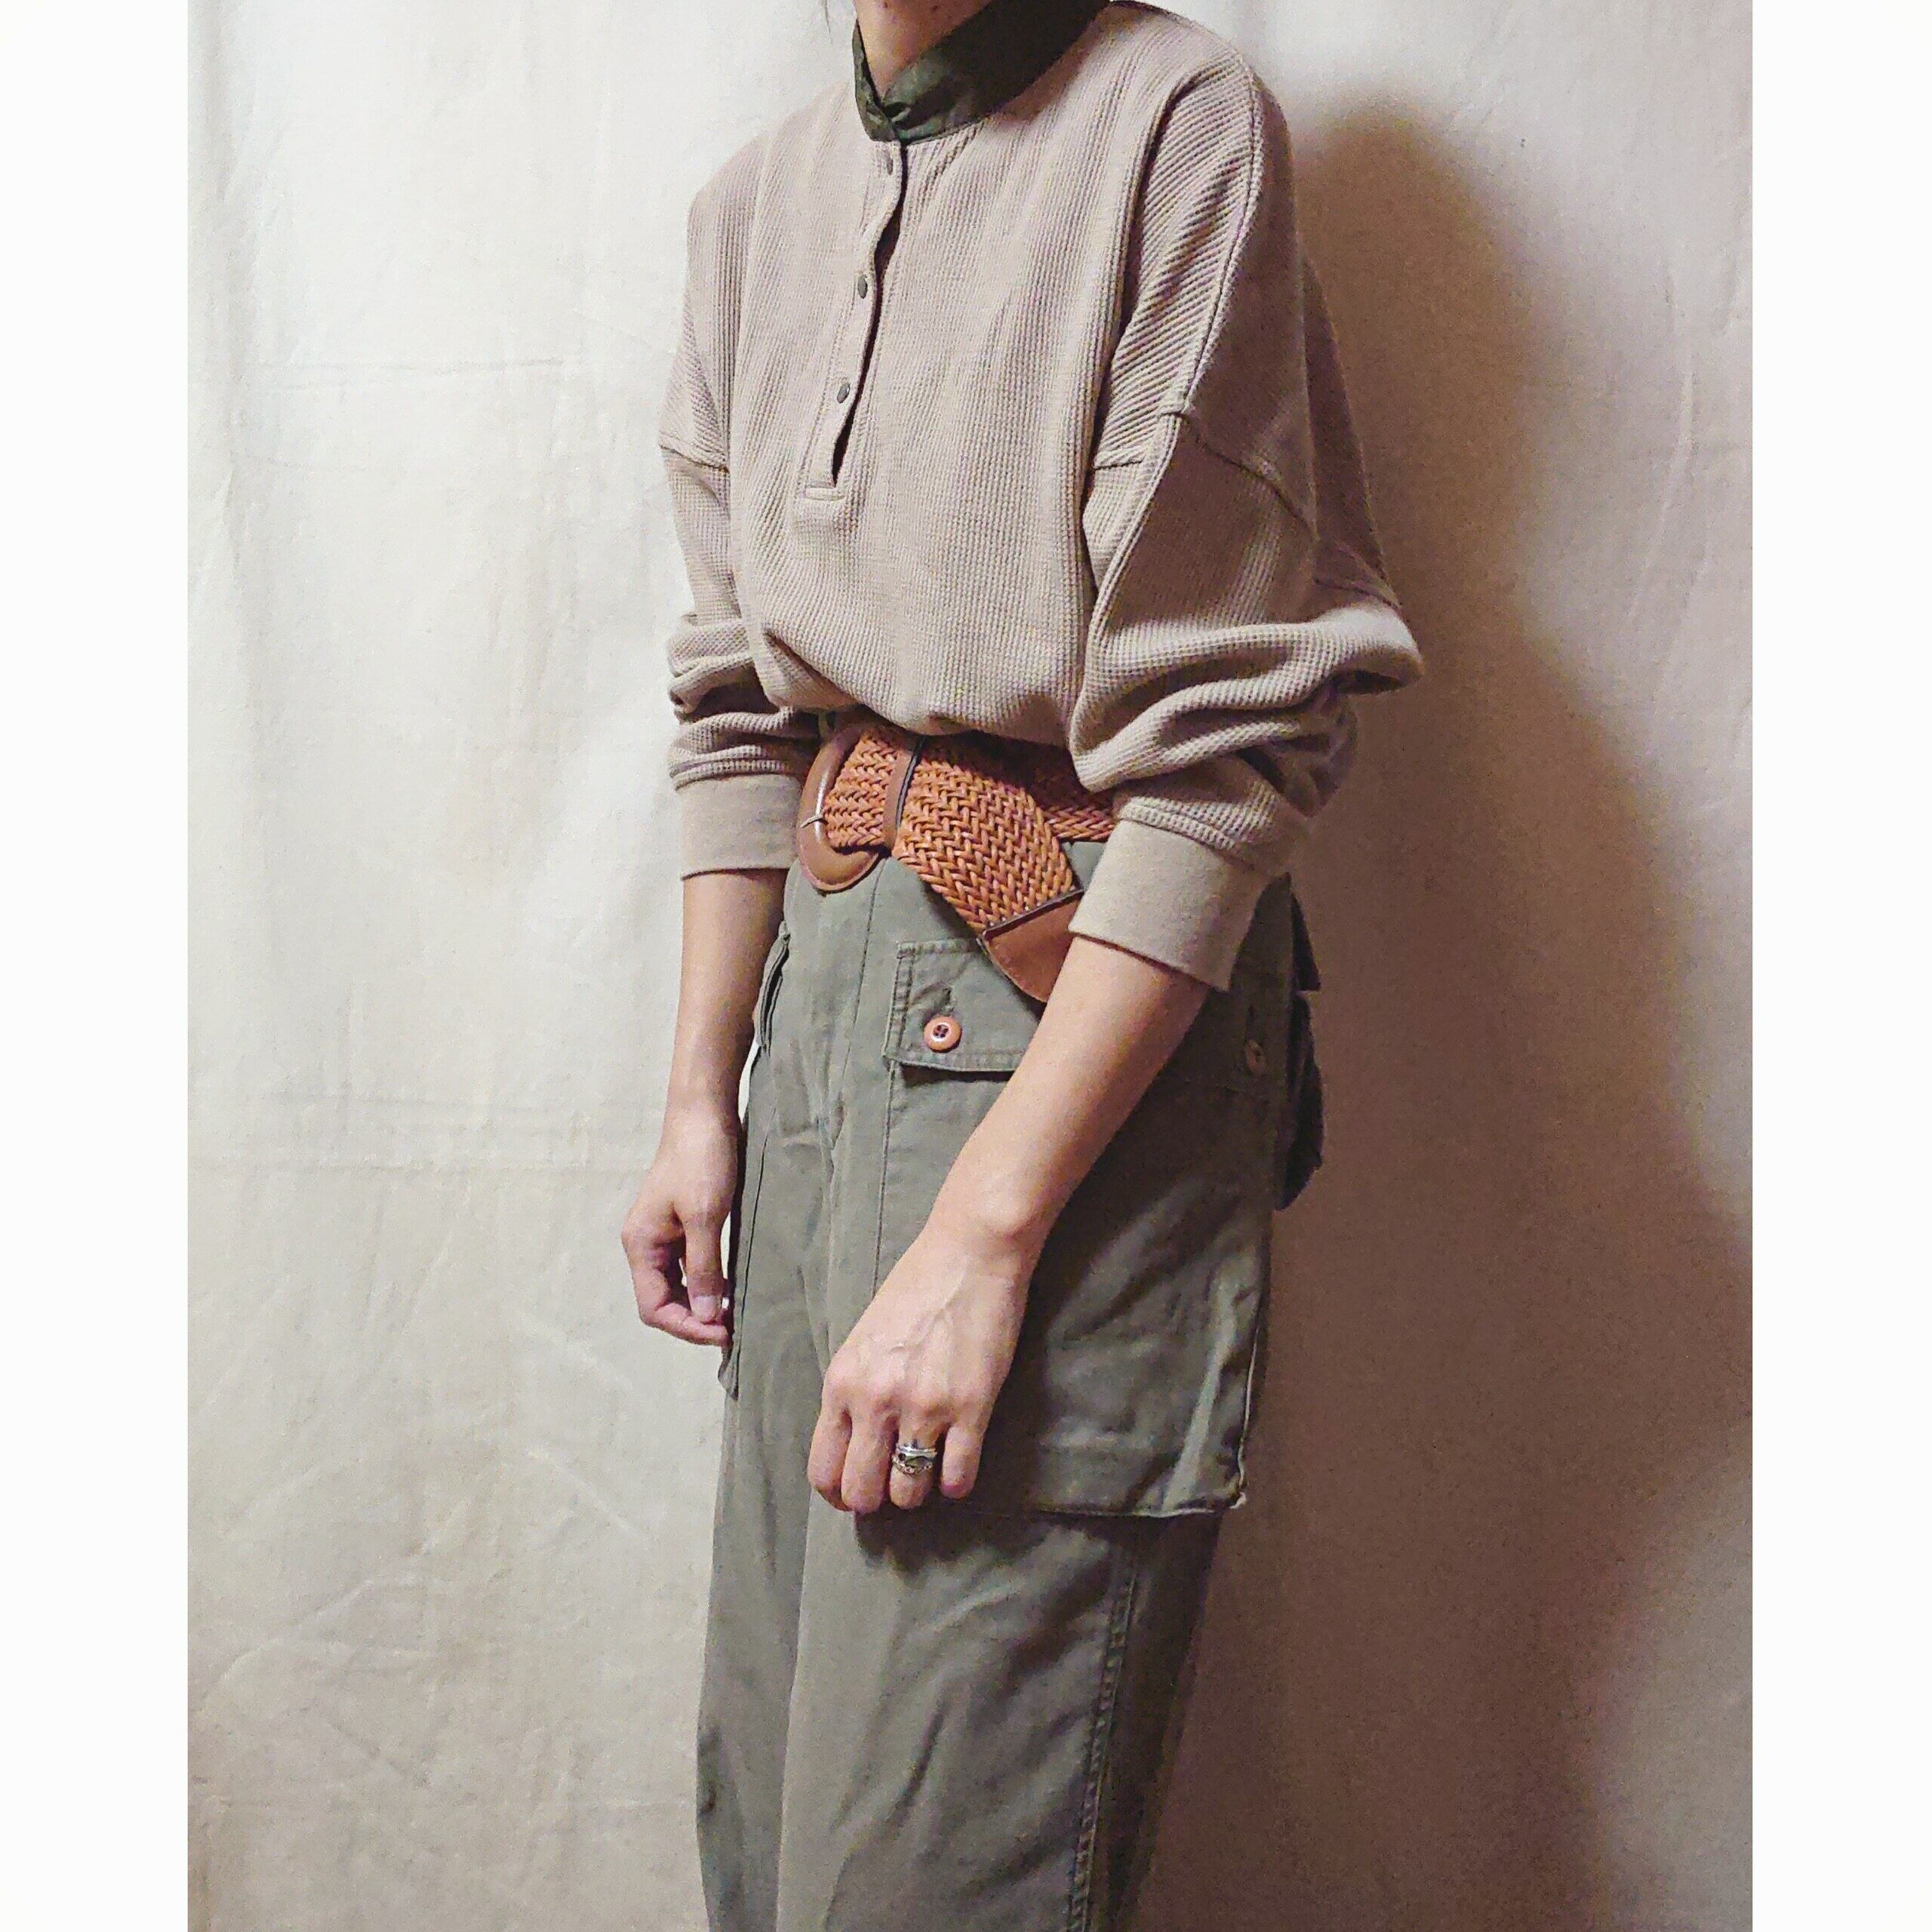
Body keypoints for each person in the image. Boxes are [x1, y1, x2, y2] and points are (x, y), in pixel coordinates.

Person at [621, 1, 1423, 1924]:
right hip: (816, 1045)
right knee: (776, 1836)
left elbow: (1226, 748)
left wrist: (983, 1235)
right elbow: (736, 705)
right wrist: (698, 1099)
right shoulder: (754, 205)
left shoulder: (1171, 125)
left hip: (1056, 1051)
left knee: (938, 1863)